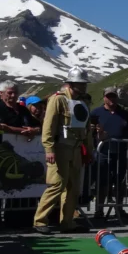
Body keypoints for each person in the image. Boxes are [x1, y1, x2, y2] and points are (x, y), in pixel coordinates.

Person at [33, 67, 94, 234]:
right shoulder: (57, 100)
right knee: (56, 184)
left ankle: (67, 222)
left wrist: (89, 149)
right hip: (60, 148)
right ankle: (40, 220)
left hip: (75, 149)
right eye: (80, 84)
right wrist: (49, 149)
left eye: (84, 84)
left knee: (73, 187)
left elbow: (86, 128)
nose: (83, 87)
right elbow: (49, 126)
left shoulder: (83, 102)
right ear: (71, 83)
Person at [89, 87, 128, 222]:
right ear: (104, 97)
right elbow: (89, 133)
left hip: (121, 153)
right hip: (103, 153)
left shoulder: (125, 114)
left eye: (113, 96)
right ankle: (99, 209)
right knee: (102, 182)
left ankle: (119, 208)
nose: (111, 99)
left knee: (120, 182)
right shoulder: (96, 113)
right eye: (108, 96)